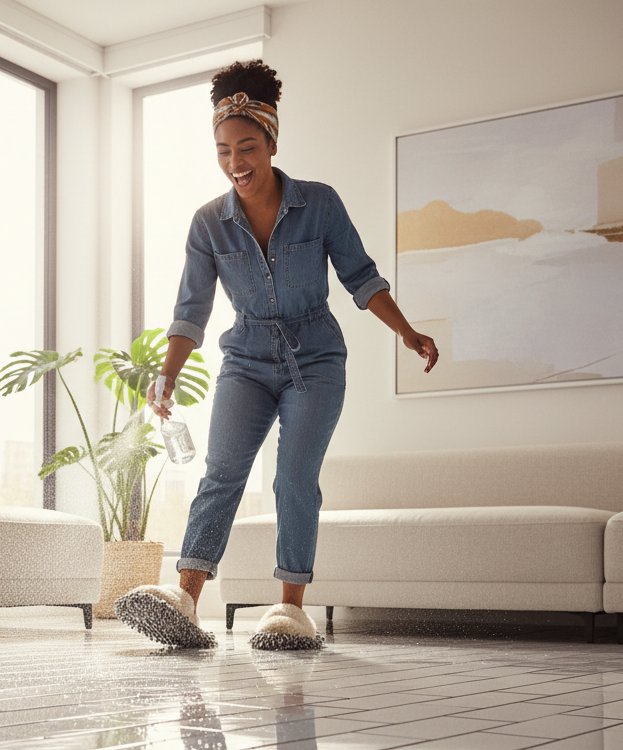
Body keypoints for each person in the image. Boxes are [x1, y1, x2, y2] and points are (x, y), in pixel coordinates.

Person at [115, 60, 438, 650]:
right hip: (245, 359)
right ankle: (185, 600)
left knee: (293, 477)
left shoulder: (319, 204)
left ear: (271, 142)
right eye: (223, 151)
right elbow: (191, 310)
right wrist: (167, 377)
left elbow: (361, 277)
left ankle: (289, 609)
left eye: (247, 147)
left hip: (316, 359)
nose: (235, 162)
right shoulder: (208, 224)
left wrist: (406, 332)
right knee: (222, 474)